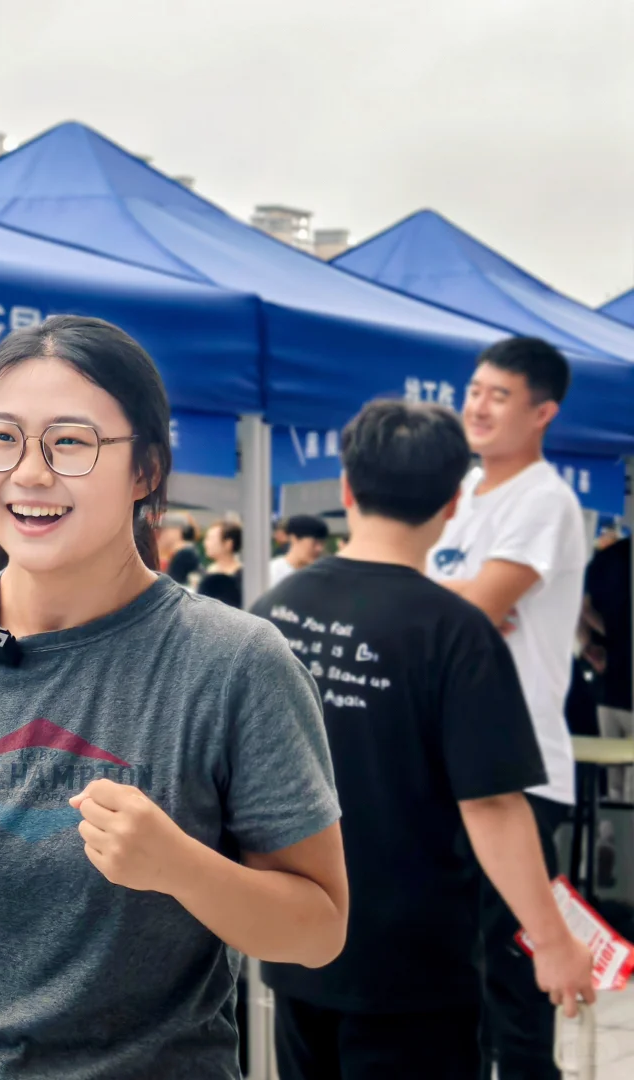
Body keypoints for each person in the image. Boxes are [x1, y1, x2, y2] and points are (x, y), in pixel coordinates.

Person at [0, 315, 346, 1079]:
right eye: (2, 438)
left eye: (70, 442)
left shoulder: (235, 662)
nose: (29, 472)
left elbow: (318, 928)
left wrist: (180, 867)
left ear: (146, 469)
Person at [253, 400, 594, 1079]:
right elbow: (493, 807)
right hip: (413, 965)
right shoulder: (454, 632)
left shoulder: (272, 615)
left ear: (347, 490)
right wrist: (552, 941)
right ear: (450, 505)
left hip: (296, 941)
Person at [424, 336, 589, 1080]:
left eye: (499, 395)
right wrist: (458, 606)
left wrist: (460, 605)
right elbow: (453, 610)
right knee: (455, 987)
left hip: (521, 776)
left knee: (514, 1002)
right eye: (475, 388)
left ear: (543, 413)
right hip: (447, 769)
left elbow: (477, 606)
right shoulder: (461, 492)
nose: (477, 405)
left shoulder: (544, 499)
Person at [585, 533, 631, 799]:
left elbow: (583, 607)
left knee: (611, 775)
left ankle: (607, 837)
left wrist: (593, 643)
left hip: (608, 682)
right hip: (617, 677)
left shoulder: (608, 557)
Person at [269, 514, 329, 585]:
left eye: (322, 543)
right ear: (294, 538)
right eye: (314, 543)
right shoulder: (272, 573)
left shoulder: (321, 575)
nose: (319, 549)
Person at [197, 519, 244, 606]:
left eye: (210, 539)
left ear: (228, 544)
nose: (206, 543)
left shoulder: (242, 577)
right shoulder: (207, 571)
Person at [157, 513, 202, 583]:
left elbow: (171, 586)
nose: (161, 534)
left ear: (177, 531)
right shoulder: (185, 552)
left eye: (165, 530)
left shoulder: (185, 554)